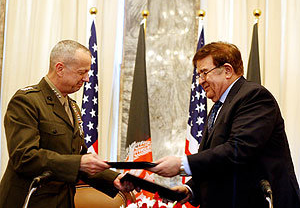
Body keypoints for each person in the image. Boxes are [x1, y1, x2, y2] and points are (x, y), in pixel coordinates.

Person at [149, 42, 300, 208]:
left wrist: (182, 164)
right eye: (199, 75)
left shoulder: (254, 96)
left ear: (227, 70)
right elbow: (217, 161)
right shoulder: (218, 106)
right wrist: (190, 189)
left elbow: (239, 149)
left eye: (204, 73)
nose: (200, 81)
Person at [0, 40, 133, 208]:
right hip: (31, 200)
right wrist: (79, 163)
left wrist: (113, 179)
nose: (86, 79)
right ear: (60, 69)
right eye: (81, 72)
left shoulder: (72, 107)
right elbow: (24, 157)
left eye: (87, 72)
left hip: (64, 201)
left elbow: (78, 155)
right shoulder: (27, 101)